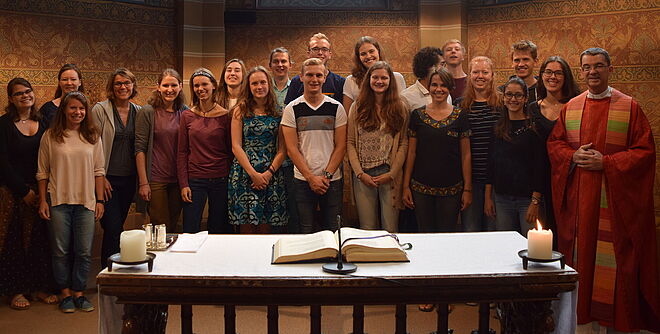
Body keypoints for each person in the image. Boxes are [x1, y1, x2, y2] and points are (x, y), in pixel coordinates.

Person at [548, 47, 660, 333]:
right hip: (580, 206)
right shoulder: (571, 107)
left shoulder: (629, 106)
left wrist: (607, 163)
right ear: (581, 71)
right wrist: (572, 156)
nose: (593, 71)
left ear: (610, 69)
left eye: (599, 66)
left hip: (614, 205)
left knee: (615, 268)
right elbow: (555, 145)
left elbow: (644, 152)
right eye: (587, 67)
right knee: (581, 262)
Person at [37, 91, 105, 313]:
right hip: (58, 201)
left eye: (81, 108)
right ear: (64, 110)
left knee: (84, 251)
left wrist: (100, 200)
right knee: (60, 251)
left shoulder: (93, 136)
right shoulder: (51, 136)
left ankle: (79, 292)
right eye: (73, 108)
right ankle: (65, 293)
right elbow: (42, 172)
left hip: (86, 202)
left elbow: (99, 171)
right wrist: (42, 201)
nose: (78, 112)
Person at [0, 78, 56, 310]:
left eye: (28, 91)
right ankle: (17, 290)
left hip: (40, 189)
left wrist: (40, 190)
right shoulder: (3, 124)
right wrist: (23, 191)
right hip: (12, 191)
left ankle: (39, 287)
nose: (25, 96)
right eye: (19, 93)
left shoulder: (42, 121)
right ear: (11, 99)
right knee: (14, 241)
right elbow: (2, 163)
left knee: (39, 240)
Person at [281, 58, 347, 233]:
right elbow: (291, 149)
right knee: (305, 229)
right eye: (309, 75)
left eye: (319, 75)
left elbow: (341, 146)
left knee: (333, 229)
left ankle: (332, 261)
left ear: (325, 77)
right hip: (303, 180)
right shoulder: (291, 109)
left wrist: (325, 176)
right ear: (301, 77)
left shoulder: (337, 108)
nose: (314, 79)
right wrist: (311, 177)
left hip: (332, 179)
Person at [403, 67, 472, 233]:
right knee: (425, 235)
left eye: (443, 85)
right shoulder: (417, 115)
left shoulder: (460, 115)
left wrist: (468, 189)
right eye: (434, 84)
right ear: (429, 87)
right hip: (420, 188)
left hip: (452, 189)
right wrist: (405, 186)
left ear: (450, 88)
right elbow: (411, 153)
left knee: (447, 236)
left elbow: (466, 154)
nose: (438, 89)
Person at [347, 61, 408, 232]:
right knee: (367, 228)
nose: (379, 81)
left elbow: (403, 143)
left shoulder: (400, 107)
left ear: (390, 81)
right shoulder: (357, 107)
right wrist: (360, 173)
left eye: (384, 78)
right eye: (375, 77)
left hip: (389, 175)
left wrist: (392, 173)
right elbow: (350, 143)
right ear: (369, 80)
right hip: (363, 176)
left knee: (390, 228)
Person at [527, 56, 579, 244]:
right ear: (541, 76)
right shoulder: (532, 108)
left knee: (567, 233)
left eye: (558, 73)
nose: (552, 77)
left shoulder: (576, 106)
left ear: (566, 77)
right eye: (548, 72)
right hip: (538, 180)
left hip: (568, 179)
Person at [228, 66, 287, 233]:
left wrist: (268, 174)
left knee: (266, 227)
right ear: (249, 86)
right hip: (245, 173)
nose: (259, 87)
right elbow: (236, 145)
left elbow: (283, 149)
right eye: (254, 83)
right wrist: (253, 174)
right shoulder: (240, 110)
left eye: (263, 82)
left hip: (271, 173)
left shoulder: (279, 111)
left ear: (269, 84)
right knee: (246, 225)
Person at [91, 68, 140, 267]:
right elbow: (92, 144)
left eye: (127, 83)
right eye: (118, 83)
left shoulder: (139, 111)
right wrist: (101, 177)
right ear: (112, 87)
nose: (123, 87)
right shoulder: (100, 109)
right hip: (107, 178)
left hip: (129, 179)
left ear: (133, 86)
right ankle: (107, 273)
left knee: (118, 226)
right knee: (112, 228)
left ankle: (116, 273)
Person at [484, 77, 544, 236]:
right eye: (509, 95)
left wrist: (535, 201)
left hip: (527, 200)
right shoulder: (497, 128)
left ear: (525, 99)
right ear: (503, 98)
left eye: (518, 95)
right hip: (501, 198)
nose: (513, 99)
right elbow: (491, 164)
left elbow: (540, 166)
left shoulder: (534, 128)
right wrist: (488, 198)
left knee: (530, 245)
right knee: (504, 247)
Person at [178, 68, 233, 234]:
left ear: (214, 86)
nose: (200, 88)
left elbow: (231, 150)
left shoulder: (226, 115)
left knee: (218, 228)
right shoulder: (187, 116)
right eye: (196, 86)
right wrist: (184, 184)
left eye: (204, 84)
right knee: (190, 228)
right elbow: (182, 152)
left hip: (221, 178)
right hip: (195, 179)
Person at [135, 69, 187, 232]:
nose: (169, 89)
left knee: (174, 226)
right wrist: (144, 183)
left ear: (180, 87)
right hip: (156, 179)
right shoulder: (148, 112)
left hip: (178, 180)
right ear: (158, 87)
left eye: (173, 85)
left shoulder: (185, 112)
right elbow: (139, 148)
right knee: (160, 227)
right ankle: (158, 258)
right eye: (165, 85)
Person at [457, 56, 501, 232]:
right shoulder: (461, 106)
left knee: (494, 232)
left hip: (497, 180)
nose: (480, 76)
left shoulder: (502, 104)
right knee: (471, 231)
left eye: (485, 72)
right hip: (470, 180)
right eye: (475, 72)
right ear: (470, 76)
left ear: (492, 75)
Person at [342, 36, 406, 114]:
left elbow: (403, 110)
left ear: (378, 51)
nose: (368, 56)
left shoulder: (397, 78)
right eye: (363, 54)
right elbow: (347, 114)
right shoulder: (351, 81)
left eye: (371, 51)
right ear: (358, 58)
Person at [284, 33, 346, 105]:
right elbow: (289, 108)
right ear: (308, 54)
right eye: (315, 49)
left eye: (324, 49)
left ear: (330, 54)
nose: (320, 53)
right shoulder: (296, 82)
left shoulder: (340, 82)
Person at [401, 46, 450, 111]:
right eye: (442, 64)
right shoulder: (406, 97)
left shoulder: (445, 93)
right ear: (429, 67)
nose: (445, 69)